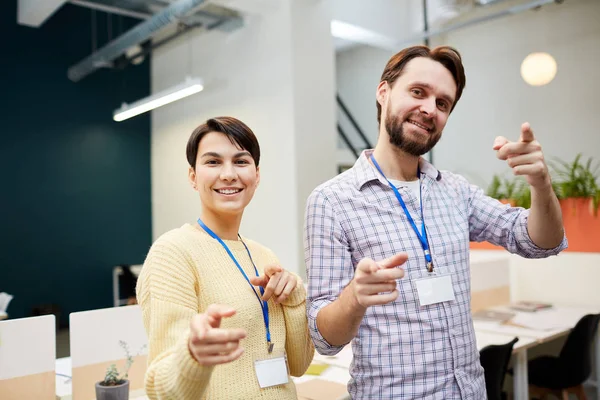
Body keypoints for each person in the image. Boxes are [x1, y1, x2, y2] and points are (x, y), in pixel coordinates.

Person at [304, 45, 566, 399]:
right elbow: (325, 340)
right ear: (383, 93)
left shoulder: (456, 192)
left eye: (443, 104)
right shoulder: (332, 201)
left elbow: (540, 242)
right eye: (418, 92)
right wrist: (355, 297)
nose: (430, 109)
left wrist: (541, 184)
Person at [137, 116, 314, 399]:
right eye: (213, 162)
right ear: (193, 177)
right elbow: (162, 389)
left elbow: (299, 364)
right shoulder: (172, 253)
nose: (229, 174)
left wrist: (293, 296)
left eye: (241, 162)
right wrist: (193, 356)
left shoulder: (263, 254)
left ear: (257, 175)